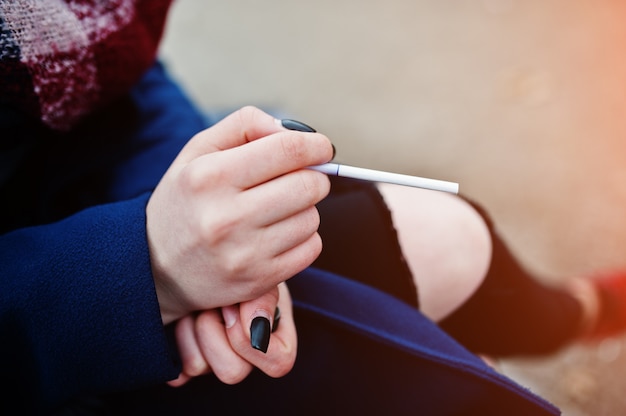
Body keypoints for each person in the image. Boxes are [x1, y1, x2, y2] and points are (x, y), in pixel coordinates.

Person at [1, 1, 624, 414]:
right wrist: (145, 270)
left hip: (84, 218)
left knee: (447, 238)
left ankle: (572, 313)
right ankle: (570, 316)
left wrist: (202, 209)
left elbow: (115, 77)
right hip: (46, 325)